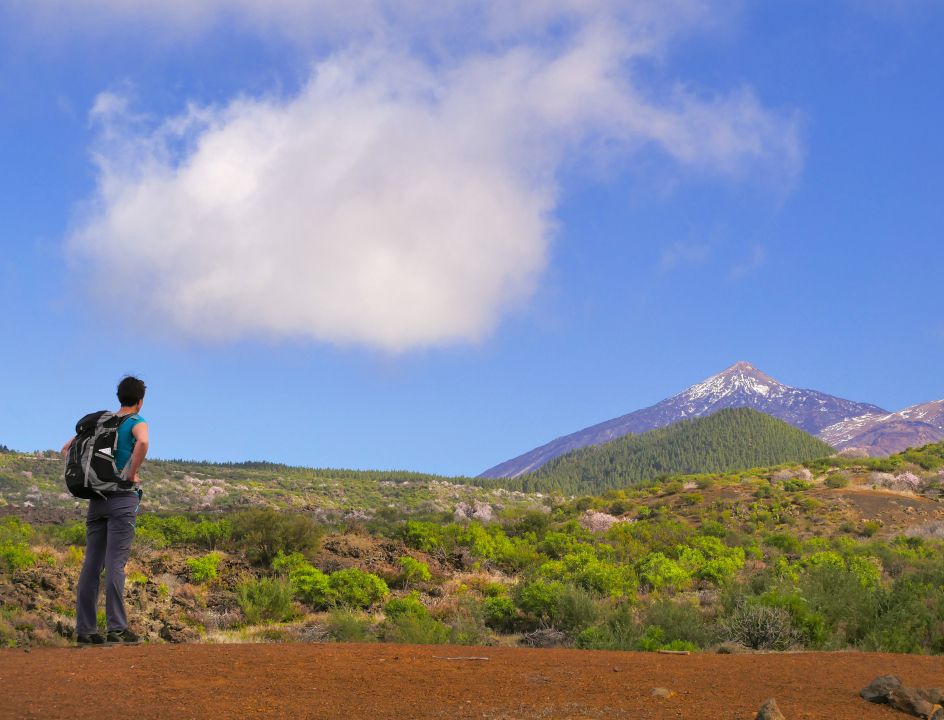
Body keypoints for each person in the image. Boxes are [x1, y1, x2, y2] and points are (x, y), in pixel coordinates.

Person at [62, 376, 149, 646]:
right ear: (140, 401)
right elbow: (143, 443)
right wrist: (130, 474)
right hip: (122, 499)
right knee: (115, 563)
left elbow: (67, 449)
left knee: (91, 564)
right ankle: (117, 629)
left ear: (118, 397)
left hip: (96, 499)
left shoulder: (101, 424)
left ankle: (86, 631)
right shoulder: (136, 422)